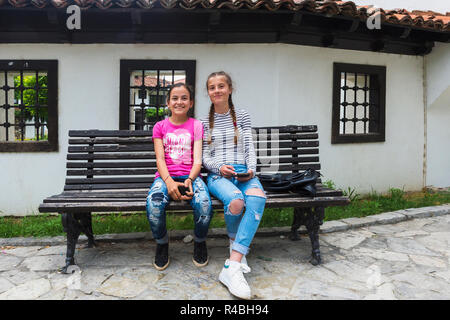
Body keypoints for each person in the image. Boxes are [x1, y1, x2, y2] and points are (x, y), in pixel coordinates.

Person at [201, 71, 267, 299]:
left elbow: (249, 148)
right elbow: (204, 157)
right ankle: (236, 256)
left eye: (221, 86)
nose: (217, 90)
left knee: (258, 198)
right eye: (212, 87)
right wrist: (220, 168)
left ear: (230, 89)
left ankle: (233, 263)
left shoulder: (243, 116)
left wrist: (251, 170)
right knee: (237, 201)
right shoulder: (203, 122)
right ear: (208, 92)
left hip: (243, 173)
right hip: (219, 175)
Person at [146, 83, 213, 271]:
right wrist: (169, 183)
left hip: (191, 176)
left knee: (204, 205)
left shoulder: (196, 125)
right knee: (154, 204)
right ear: (168, 103)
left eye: (184, 98)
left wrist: (190, 180)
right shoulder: (160, 127)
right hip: (165, 177)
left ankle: (199, 241)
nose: (179, 102)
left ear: (190, 103)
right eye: (175, 98)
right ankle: (162, 243)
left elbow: (198, 160)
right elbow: (160, 159)